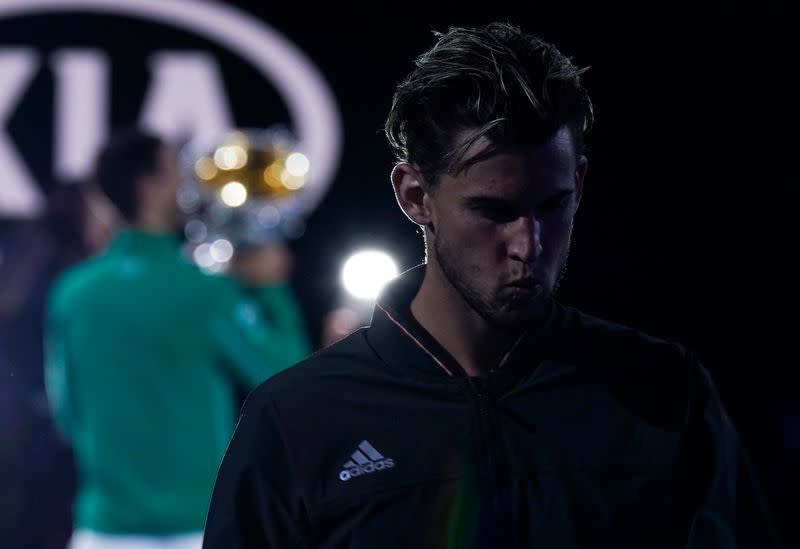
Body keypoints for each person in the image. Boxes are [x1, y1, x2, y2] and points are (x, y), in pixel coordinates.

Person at [203, 22, 781, 548]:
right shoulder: (295, 420)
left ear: (579, 183)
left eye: (552, 205)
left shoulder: (665, 391)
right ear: (414, 196)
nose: (528, 245)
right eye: (493, 211)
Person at [44, 129, 311, 549]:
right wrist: (270, 287)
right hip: (197, 529)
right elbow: (287, 379)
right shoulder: (202, 291)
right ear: (148, 186)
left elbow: (65, 415)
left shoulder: (72, 293)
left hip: (102, 531)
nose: (190, 185)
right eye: (177, 172)